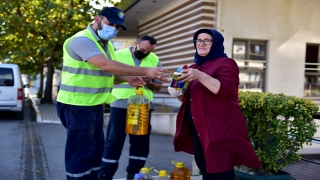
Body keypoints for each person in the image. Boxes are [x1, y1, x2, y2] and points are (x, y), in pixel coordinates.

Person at [56, 7, 170, 180]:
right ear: (97, 19)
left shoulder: (105, 45)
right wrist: (146, 70)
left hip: (94, 105)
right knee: (81, 153)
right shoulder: (81, 40)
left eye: (118, 27)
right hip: (77, 105)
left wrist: (127, 79)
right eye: (111, 24)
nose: (114, 29)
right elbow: (105, 66)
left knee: (95, 153)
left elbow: (106, 74)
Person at [168, 28, 261, 180]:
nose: (201, 43)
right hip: (198, 128)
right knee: (206, 168)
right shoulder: (194, 67)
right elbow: (191, 99)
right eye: (198, 40)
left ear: (216, 43)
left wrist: (200, 76)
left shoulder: (226, 63)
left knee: (219, 170)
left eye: (207, 40)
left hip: (219, 128)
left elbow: (227, 90)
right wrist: (178, 92)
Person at [98, 35, 162, 180]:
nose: (145, 53)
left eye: (149, 52)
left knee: (140, 143)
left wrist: (149, 82)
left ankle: (134, 175)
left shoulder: (155, 60)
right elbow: (107, 78)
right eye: (143, 50)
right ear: (136, 43)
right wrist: (129, 77)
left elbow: (158, 86)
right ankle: (105, 175)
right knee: (114, 140)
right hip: (121, 104)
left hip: (143, 107)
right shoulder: (118, 55)